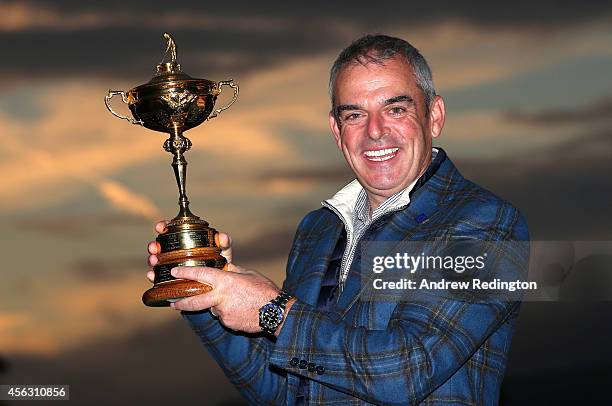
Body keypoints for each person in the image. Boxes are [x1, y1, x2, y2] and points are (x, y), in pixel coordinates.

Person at [146, 34, 529, 405]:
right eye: (355, 115)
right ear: (337, 130)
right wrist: (209, 294)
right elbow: (283, 391)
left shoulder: (486, 222)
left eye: (396, 109)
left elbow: (407, 370)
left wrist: (273, 310)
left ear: (434, 116)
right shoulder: (317, 230)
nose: (375, 131)